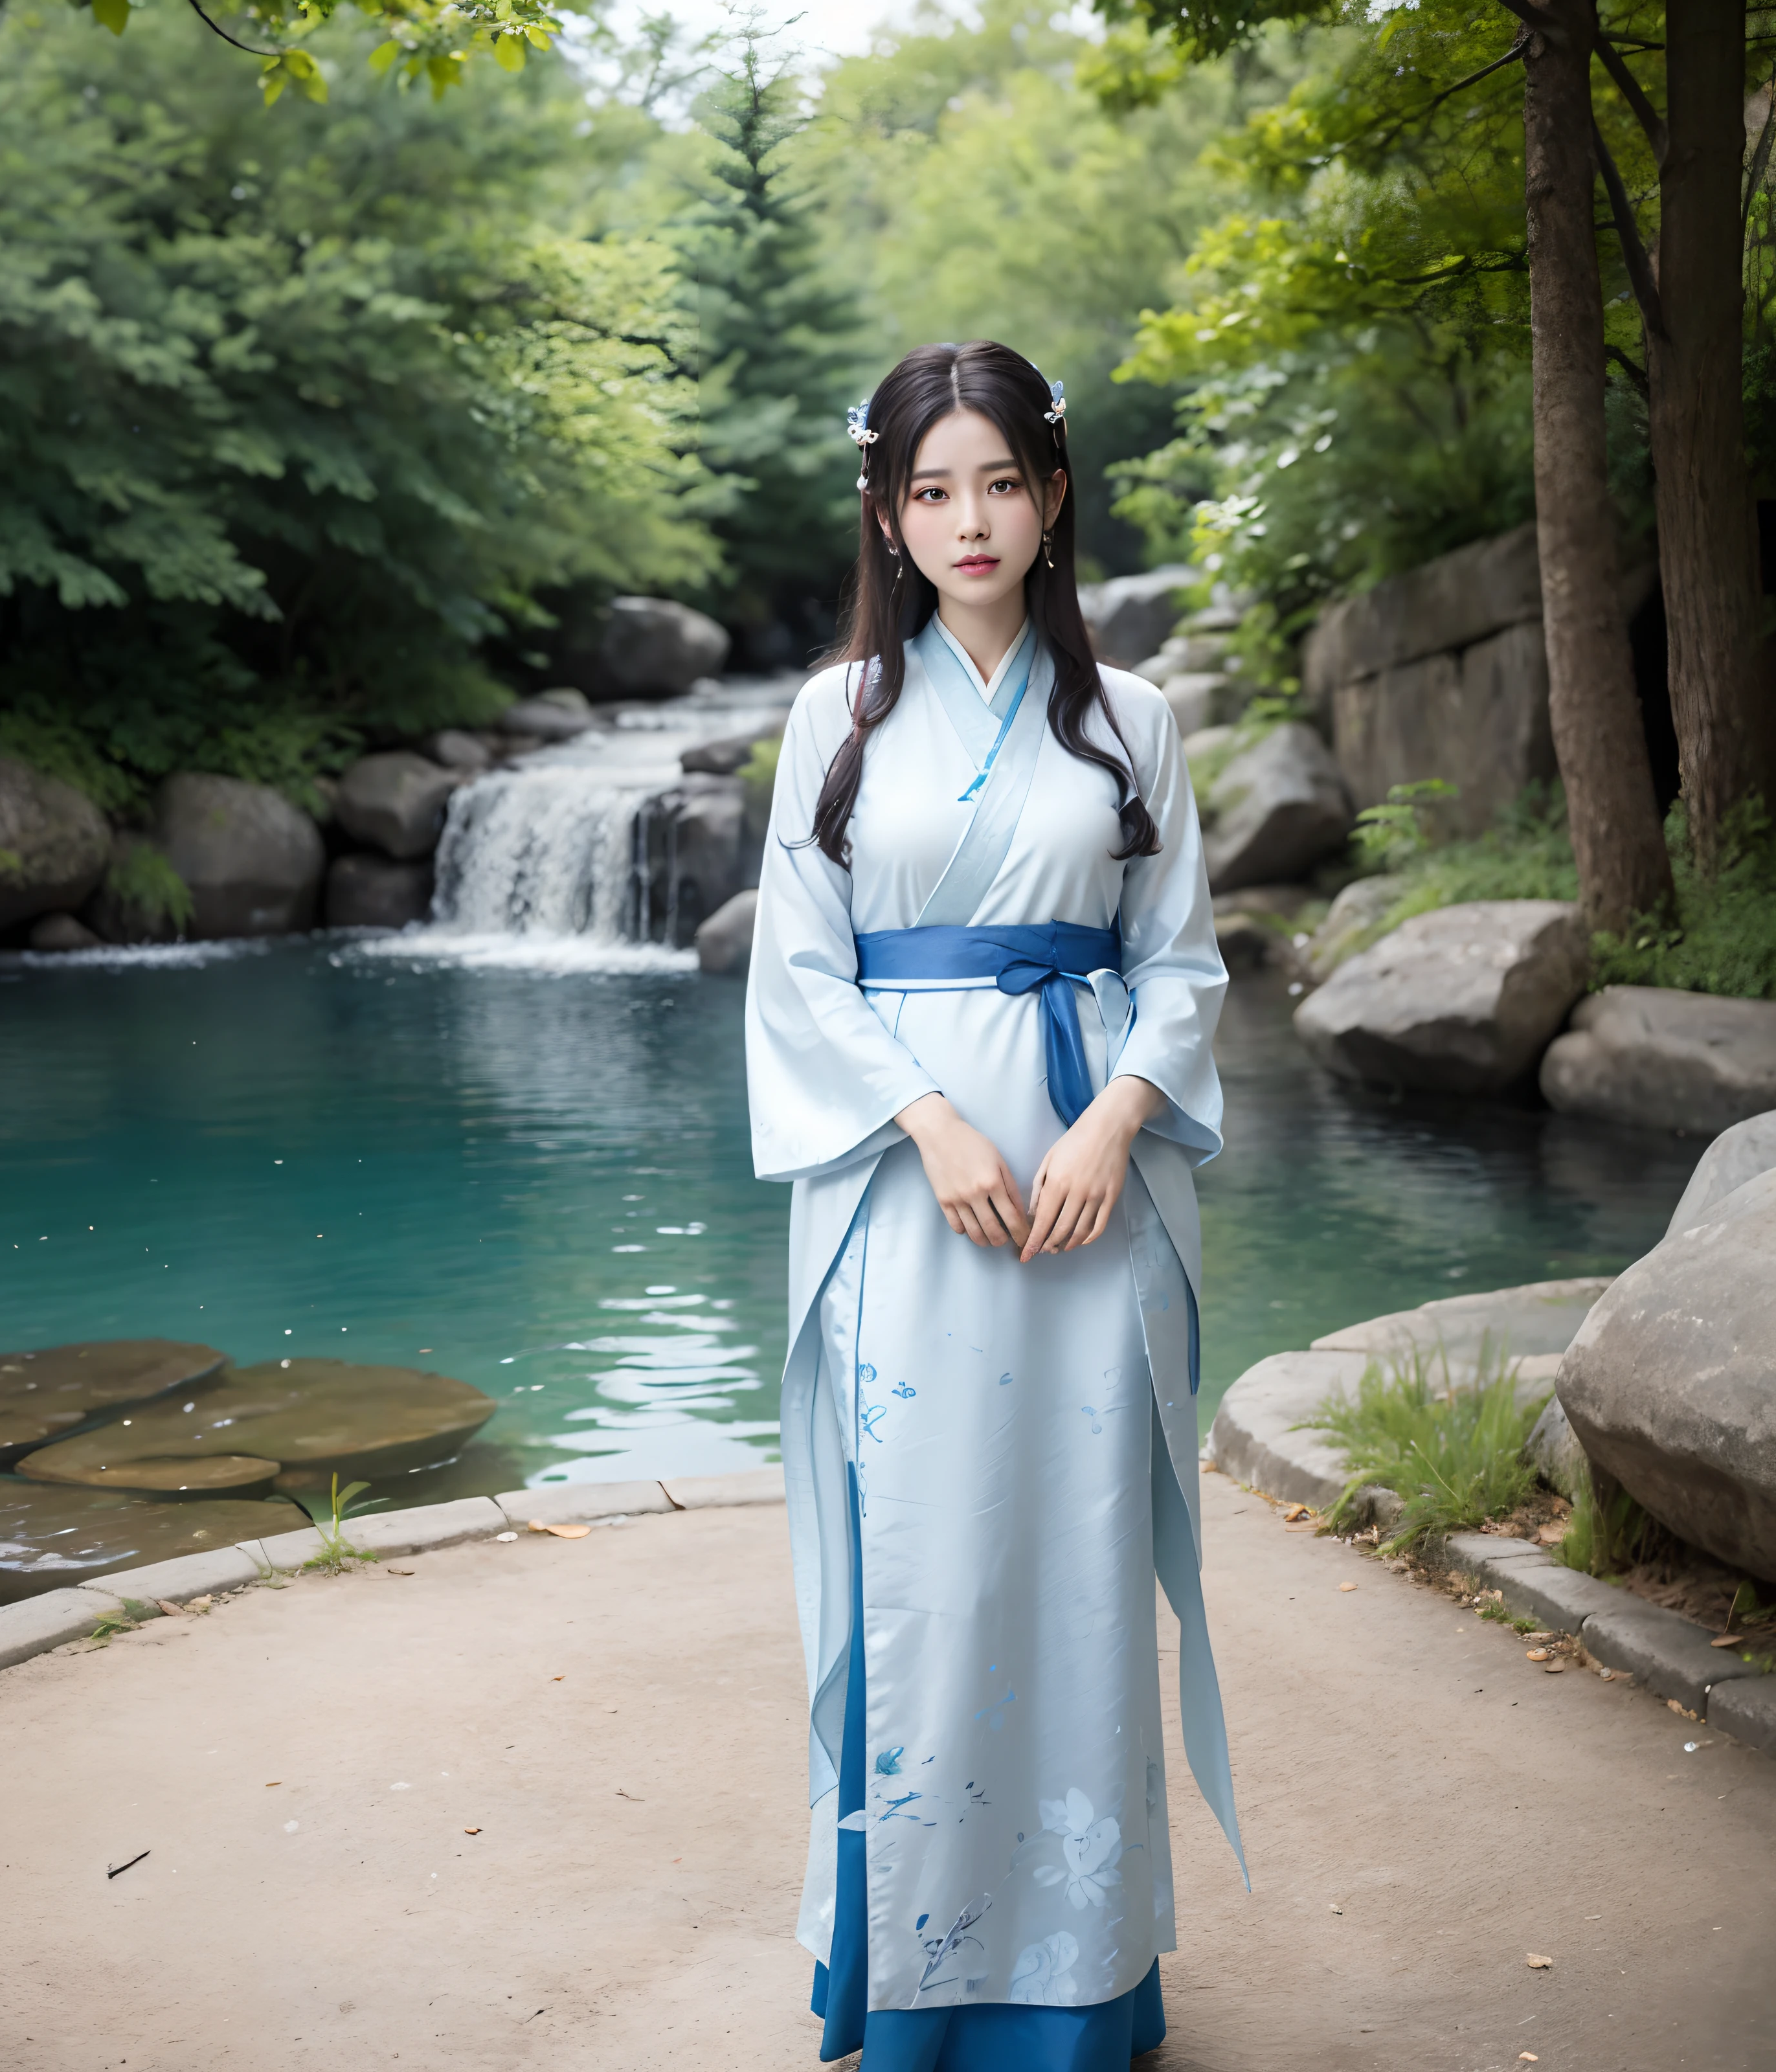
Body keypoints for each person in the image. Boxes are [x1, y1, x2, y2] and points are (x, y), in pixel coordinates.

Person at [744, 339, 1245, 2070]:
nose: (973, 519)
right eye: (935, 488)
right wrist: (927, 1122)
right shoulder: (834, 718)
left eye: (1003, 482)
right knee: (929, 1576)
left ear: (1051, 498)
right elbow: (803, 975)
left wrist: (1115, 1121)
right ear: (887, 512)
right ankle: (916, 1988)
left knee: (1075, 1576)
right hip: (911, 1197)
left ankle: (1079, 1994)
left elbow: (1181, 964)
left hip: (1087, 1193)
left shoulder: (1136, 722)